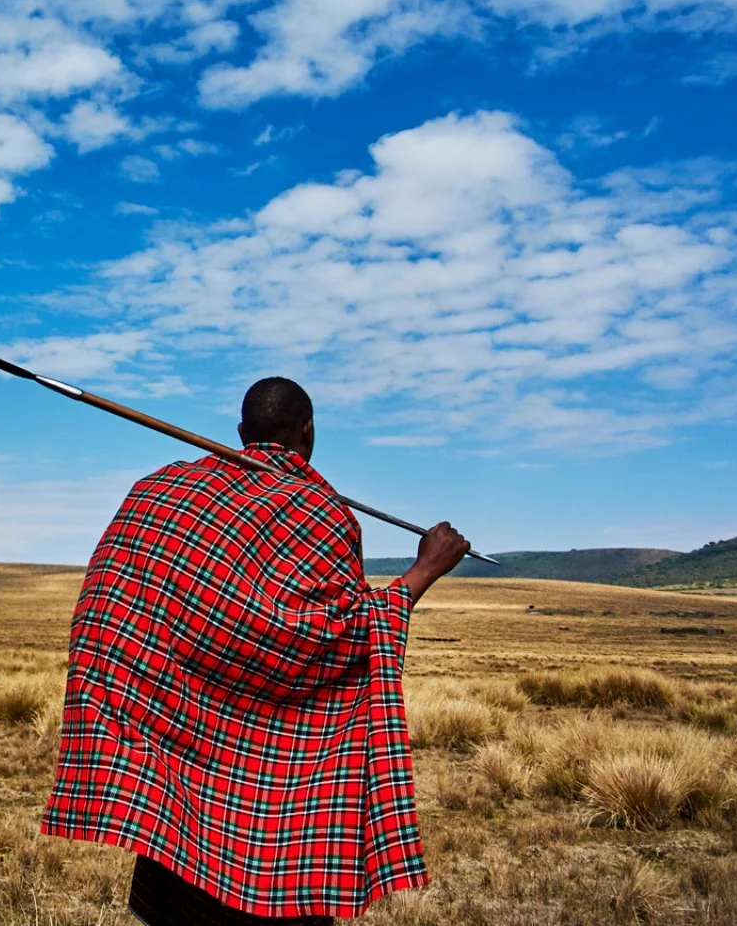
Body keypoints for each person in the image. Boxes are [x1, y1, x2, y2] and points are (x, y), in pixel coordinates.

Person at [41, 376, 470, 924]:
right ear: (309, 432)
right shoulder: (324, 516)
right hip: (278, 822)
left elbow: (117, 601)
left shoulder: (166, 492)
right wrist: (424, 570)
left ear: (242, 433)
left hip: (181, 797)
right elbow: (336, 638)